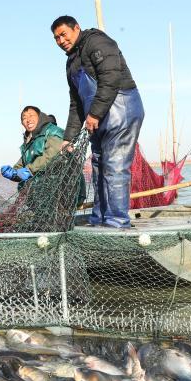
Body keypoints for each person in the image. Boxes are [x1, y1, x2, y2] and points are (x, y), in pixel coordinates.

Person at [52, 15, 144, 228]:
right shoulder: (71, 61)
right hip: (99, 118)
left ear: (76, 28)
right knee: (99, 168)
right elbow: (76, 103)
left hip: (122, 109)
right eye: (56, 38)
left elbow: (110, 79)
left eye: (63, 34)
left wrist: (94, 114)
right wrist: (69, 138)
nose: (60, 40)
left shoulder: (98, 42)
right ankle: (100, 218)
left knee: (115, 165)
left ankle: (117, 222)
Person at [0, 105, 65, 184]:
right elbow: (21, 166)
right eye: (24, 118)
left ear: (39, 116)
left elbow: (53, 155)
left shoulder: (53, 131)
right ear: (22, 123)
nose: (28, 120)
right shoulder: (28, 143)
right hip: (40, 189)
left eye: (31, 115)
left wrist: (29, 170)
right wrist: (13, 173)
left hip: (62, 186)